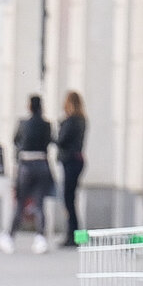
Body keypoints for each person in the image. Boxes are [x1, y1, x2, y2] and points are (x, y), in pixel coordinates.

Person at [0, 94, 55, 255]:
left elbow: (16, 141)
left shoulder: (23, 124)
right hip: (42, 163)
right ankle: (40, 238)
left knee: (21, 201)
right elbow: (49, 141)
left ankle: (10, 236)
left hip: (26, 164)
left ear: (29, 106)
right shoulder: (47, 125)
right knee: (39, 203)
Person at [56, 90, 87, 247]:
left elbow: (61, 140)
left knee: (68, 200)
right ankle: (75, 235)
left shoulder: (71, 121)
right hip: (77, 160)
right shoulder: (82, 119)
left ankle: (73, 235)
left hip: (70, 161)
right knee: (71, 199)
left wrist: (60, 125)